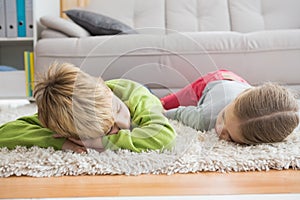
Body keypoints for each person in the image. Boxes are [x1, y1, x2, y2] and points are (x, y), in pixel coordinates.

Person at [0, 62, 176, 153]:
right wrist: (58, 141)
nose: (122, 124)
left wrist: (100, 141)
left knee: (173, 105)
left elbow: (165, 138)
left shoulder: (135, 96)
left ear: (105, 88)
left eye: (117, 110)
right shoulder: (60, 120)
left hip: (140, 89)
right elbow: (5, 133)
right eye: (109, 131)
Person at [161, 69, 299, 144]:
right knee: (167, 103)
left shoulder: (257, 111)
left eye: (230, 137)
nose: (220, 130)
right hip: (214, 80)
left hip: (240, 84)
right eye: (223, 118)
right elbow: (180, 113)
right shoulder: (203, 117)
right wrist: (164, 113)